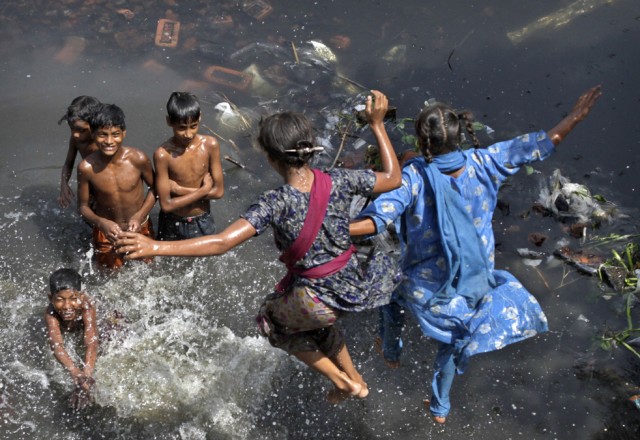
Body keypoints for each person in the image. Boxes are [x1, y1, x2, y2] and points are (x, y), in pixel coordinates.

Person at [117, 90, 402, 403]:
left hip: (317, 294)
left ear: (270, 157)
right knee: (317, 319)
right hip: (354, 283)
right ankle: (355, 378)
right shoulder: (340, 179)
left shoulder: (274, 203)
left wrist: (153, 246)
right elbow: (392, 178)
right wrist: (377, 125)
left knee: (272, 320)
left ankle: (340, 380)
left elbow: (221, 242)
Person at [350, 86, 602, 423]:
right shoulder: (486, 161)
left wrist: (332, 229)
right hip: (474, 283)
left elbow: (376, 219)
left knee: (392, 296)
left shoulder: (412, 178)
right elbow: (540, 144)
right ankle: (440, 409)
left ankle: (391, 351)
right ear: (458, 137)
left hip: (425, 287)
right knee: (453, 344)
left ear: (422, 143)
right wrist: (575, 116)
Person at [77, 103, 156, 269]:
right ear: (93, 134)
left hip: (139, 226)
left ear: (124, 133)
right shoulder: (87, 168)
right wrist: (101, 222)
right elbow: (83, 207)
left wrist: (139, 216)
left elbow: (156, 188)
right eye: (102, 135)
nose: (109, 141)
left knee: (148, 268)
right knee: (109, 275)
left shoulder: (138, 159)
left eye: (115, 134)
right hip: (107, 232)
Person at [155, 92, 224, 240]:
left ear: (200, 117)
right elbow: (166, 205)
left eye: (193, 126)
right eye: (181, 128)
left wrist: (179, 190)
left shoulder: (210, 145)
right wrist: (203, 191)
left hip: (201, 220)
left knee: (205, 261)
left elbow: (218, 192)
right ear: (169, 121)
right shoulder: (163, 154)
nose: (188, 134)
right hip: (171, 220)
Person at [44, 268, 98, 411]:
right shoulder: (51, 314)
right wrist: (74, 371)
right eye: (60, 300)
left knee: (109, 336)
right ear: (51, 298)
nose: (67, 306)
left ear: (81, 296)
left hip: (95, 325)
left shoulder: (87, 306)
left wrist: (86, 374)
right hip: (73, 327)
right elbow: (56, 345)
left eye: (73, 299)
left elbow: (91, 342)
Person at [57, 96, 101, 208]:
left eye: (81, 130)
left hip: (103, 185)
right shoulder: (76, 140)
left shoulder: (102, 144)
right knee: (83, 213)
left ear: (96, 125)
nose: (75, 134)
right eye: (72, 128)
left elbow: (111, 172)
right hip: (88, 183)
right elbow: (68, 164)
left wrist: (100, 195)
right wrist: (64, 185)